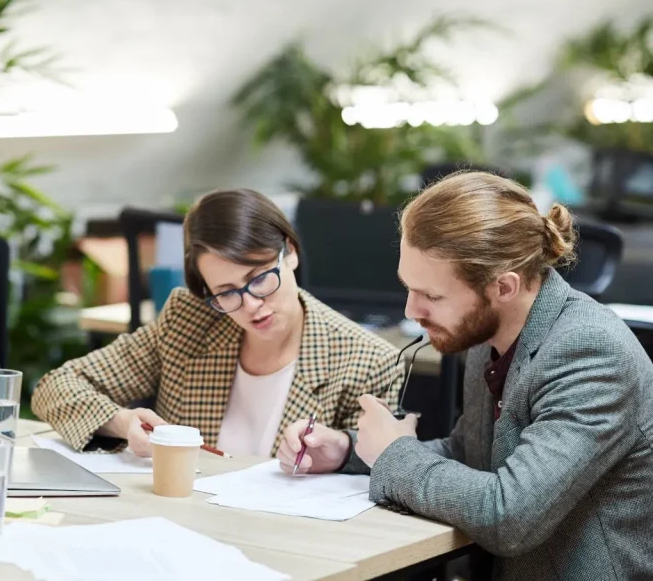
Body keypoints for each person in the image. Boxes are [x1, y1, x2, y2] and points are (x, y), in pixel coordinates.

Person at [279, 171, 653, 580]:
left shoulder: (590, 352)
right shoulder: (489, 332)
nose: (411, 311)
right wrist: (347, 451)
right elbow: (470, 454)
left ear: (504, 287)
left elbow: (509, 516)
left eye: (432, 296)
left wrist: (392, 454)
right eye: (409, 287)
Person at [32, 188, 400, 458]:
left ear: (290, 252)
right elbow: (56, 387)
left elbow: (381, 468)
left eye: (259, 278)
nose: (251, 305)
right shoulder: (191, 321)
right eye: (226, 292)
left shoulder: (367, 361)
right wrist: (121, 422)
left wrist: (339, 454)